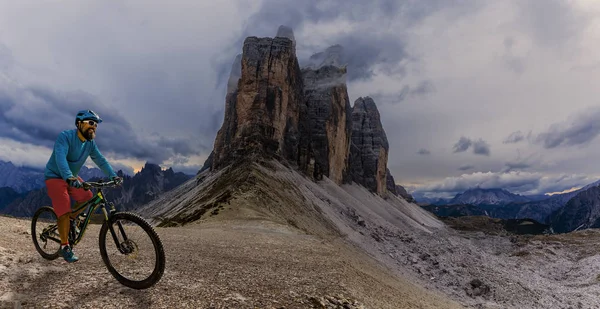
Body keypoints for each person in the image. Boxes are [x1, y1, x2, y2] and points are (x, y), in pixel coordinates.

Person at [44, 110, 122, 263]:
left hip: (71, 177)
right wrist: (68, 177)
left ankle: (71, 220)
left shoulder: (90, 143)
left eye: (96, 124)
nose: (94, 127)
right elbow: (60, 159)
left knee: (87, 196)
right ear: (79, 124)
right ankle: (65, 246)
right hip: (55, 176)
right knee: (64, 208)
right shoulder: (65, 137)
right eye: (91, 123)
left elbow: (100, 160)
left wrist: (113, 175)